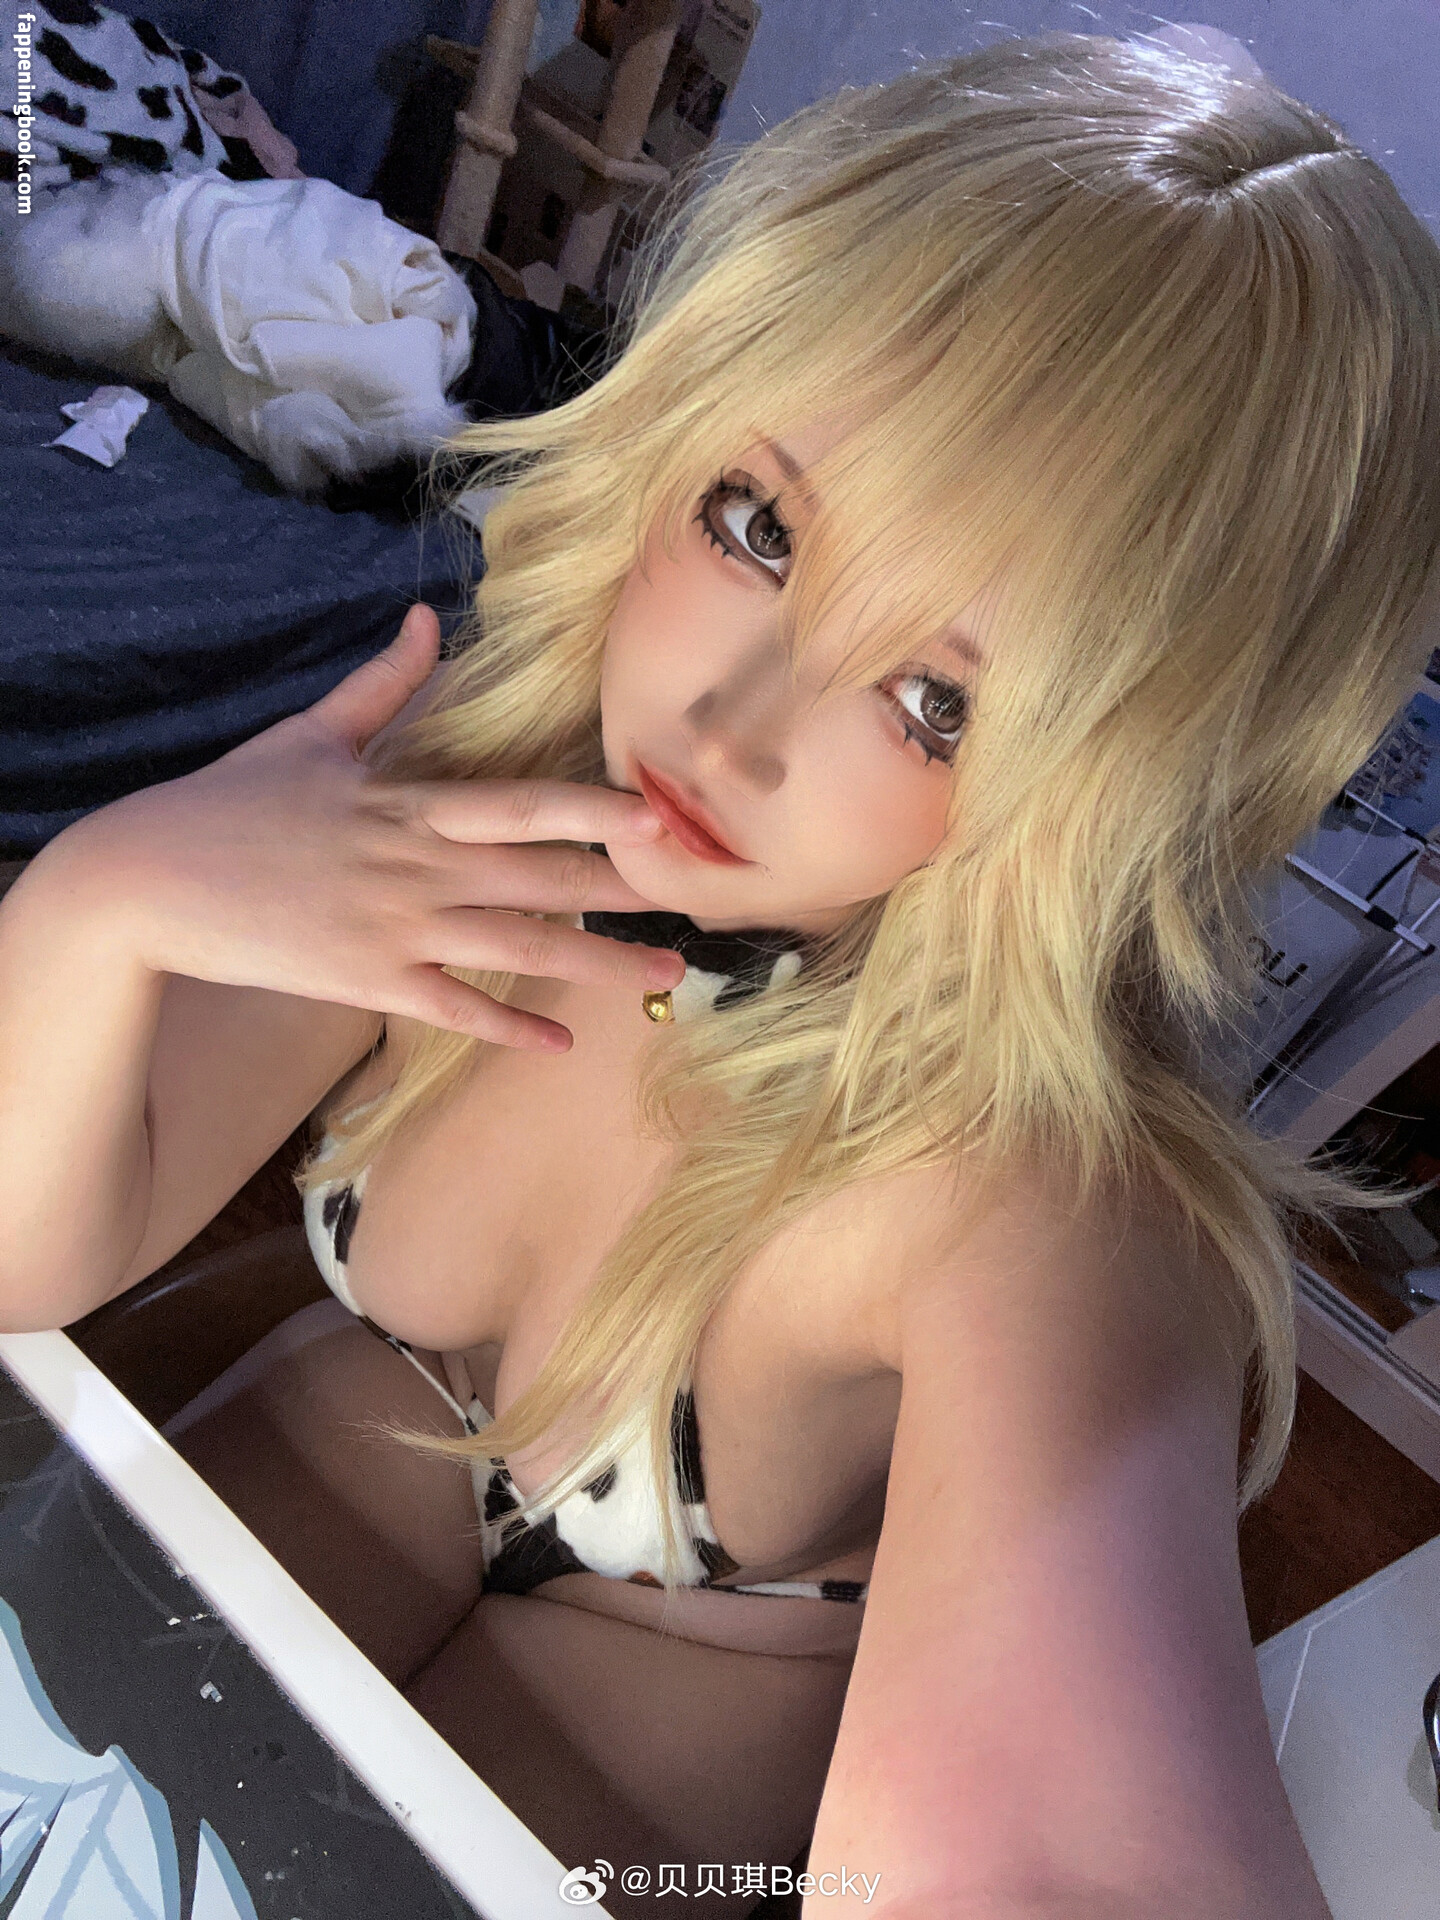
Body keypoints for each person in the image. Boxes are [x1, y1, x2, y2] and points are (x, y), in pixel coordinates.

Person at [3, 29, 1438, 1917]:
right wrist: (103, 900)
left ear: (1135, 782)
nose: (730, 725)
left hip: (697, 1659)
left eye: (936, 702)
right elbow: (26, 1256)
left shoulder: (1043, 1214)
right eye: (759, 526)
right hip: (375, 1431)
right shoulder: (491, 786)